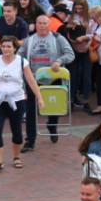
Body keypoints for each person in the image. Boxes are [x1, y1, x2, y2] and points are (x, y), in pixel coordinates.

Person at [0, 36, 45, 172]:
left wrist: (39, 97)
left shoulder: (22, 62)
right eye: (4, 46)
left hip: (17, 101)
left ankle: (16, 157)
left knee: (16, 130)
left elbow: (31, 81)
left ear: (15, 48)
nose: (6, 49)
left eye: (9, 46)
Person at [21, 14, 75, 151]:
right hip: (34, 79)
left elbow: (70, 54)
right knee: (31, 110)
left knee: (53, 107)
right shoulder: (29, 40)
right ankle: (30, 140)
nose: (42, 26)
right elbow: (20, 56)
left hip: (53, 78)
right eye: (39, 23)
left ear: (49, 25)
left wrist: (59, 61)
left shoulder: (58, 38)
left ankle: (52, 125)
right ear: (36, 25)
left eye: (45, 23)